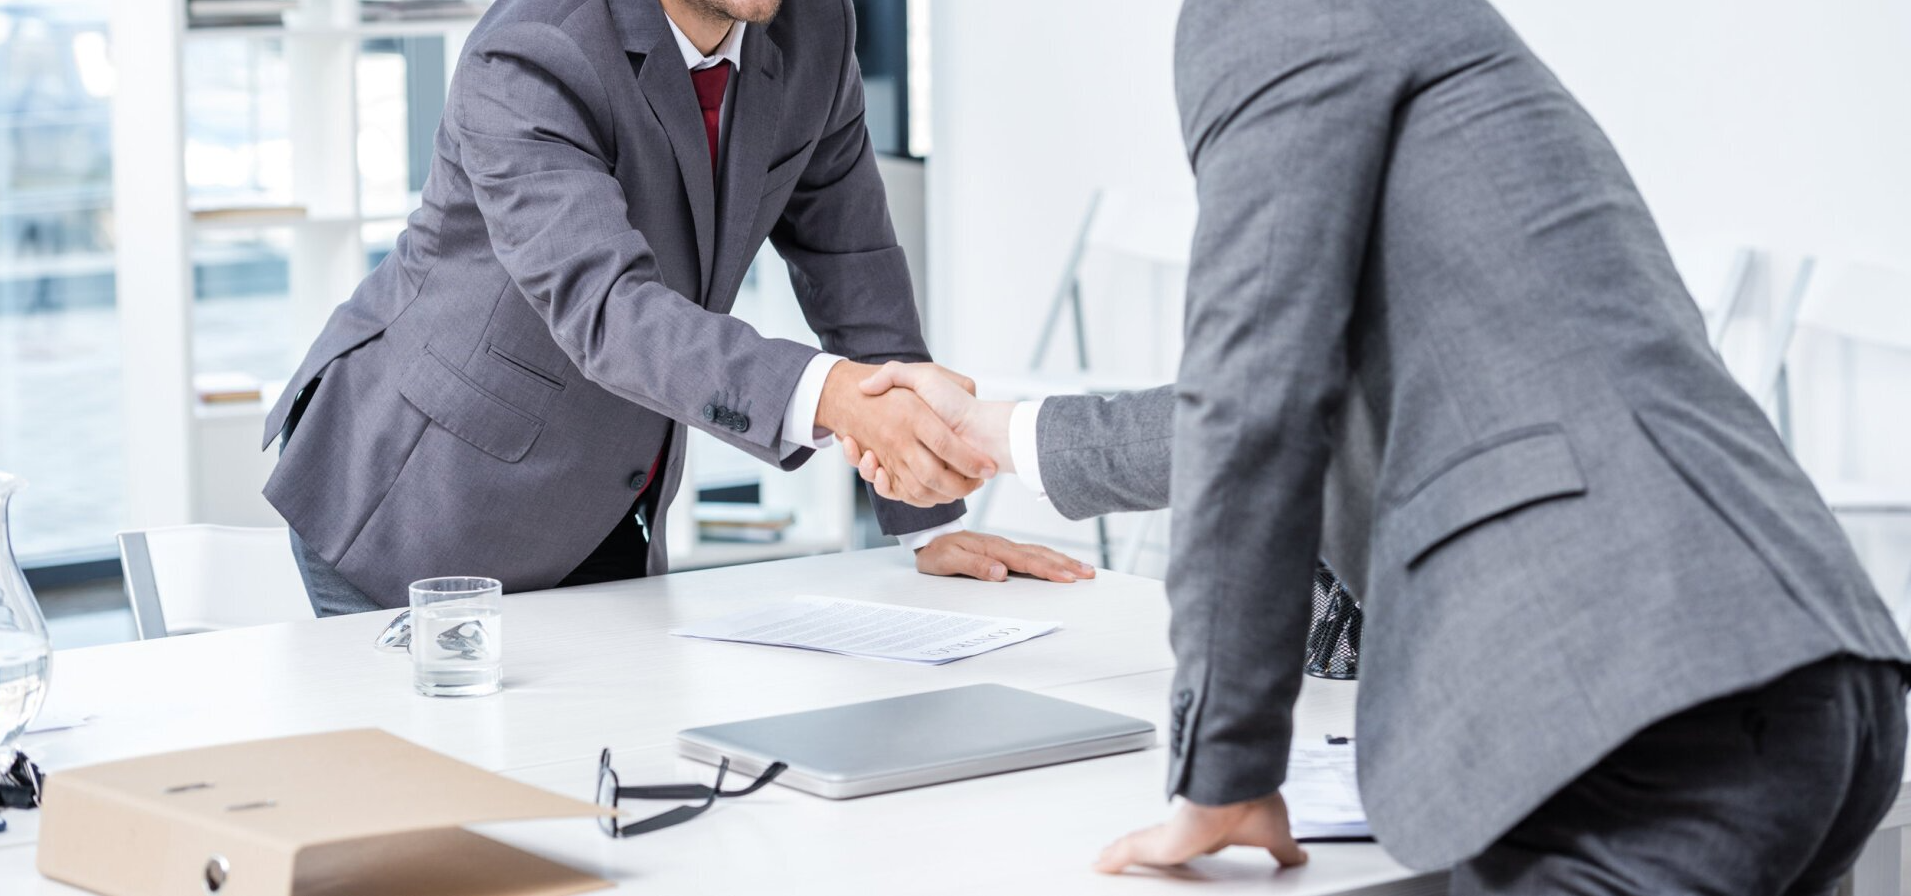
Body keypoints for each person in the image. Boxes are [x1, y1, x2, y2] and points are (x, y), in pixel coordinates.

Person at [847, 0, 1911, 889]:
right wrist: (997, 433)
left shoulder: (1275, 12)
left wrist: (1224, 768)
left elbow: (1253, 397)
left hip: (1632, 711)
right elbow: (1314, 387)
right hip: (1799, 669)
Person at [261, 0, 1091, 615]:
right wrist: (835, 400)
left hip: (602, 509)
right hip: (416, 505)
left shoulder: (814, 32)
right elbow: (608, 308)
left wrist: (925, 519)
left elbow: (852, 262)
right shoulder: (534, 51)